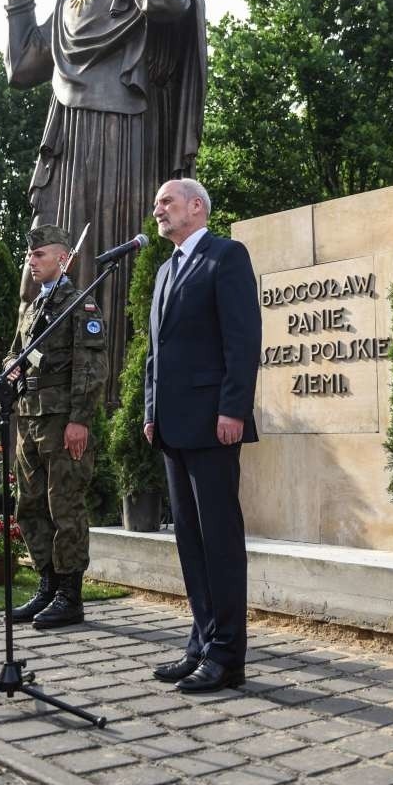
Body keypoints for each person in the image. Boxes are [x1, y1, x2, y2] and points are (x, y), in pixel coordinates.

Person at [0, 0, 206, 404]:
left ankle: (108, 409)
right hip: (66, 140)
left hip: (123, 135)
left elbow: (165, 1)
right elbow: (25, 67)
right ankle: (47, 404)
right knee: (51, 269)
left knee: (106, 269)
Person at [144, 179, 261, 693]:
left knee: (219, 540)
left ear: (197, 206)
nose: (158, 211)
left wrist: (233, 408)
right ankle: (201, 641)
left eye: (166, 202)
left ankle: (228, 654)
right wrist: (150, 411)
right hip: (172, 425)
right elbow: (155, 354)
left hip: (214, 423)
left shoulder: (226, 256)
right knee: (189, 541)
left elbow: (243, 338)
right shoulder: (166, 269)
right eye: (156, 206)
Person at [6, 225, 108, 629]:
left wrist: (79, 420)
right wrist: (9, 368)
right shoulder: (33, 307)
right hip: (28, 418)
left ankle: (70, 595)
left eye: (40, 255)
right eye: (30, 256)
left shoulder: (79, 304)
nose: (32, 261)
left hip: (62, 420)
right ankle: (46, 586)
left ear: (63, 259)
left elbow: (91, 367)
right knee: (29, 505)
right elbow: (17, 351)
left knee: (63, 506)